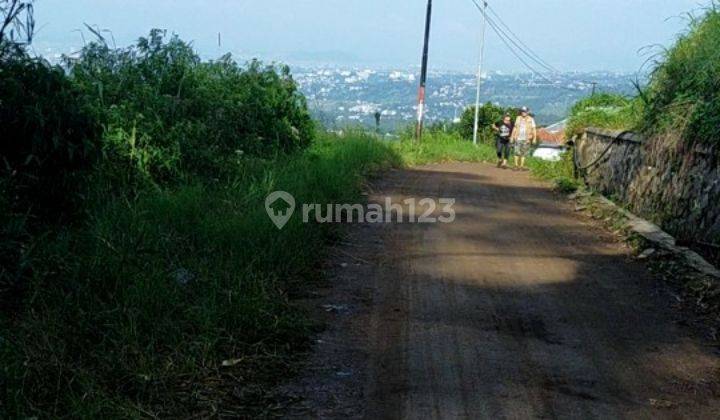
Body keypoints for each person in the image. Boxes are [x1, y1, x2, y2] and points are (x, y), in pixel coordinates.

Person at [511, 106, 537, 171]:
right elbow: (515, 128)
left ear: (527, 112)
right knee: (516, 152)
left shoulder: (531, 119)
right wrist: (512, 136)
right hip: (518, 137)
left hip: (526, 138)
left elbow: (534, 129)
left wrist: (534, 138)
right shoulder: (518, 118)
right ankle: (516, 165)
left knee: (523, 153)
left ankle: (521, 166)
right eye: (522, 111)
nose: (523, 112)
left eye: (525, 111)